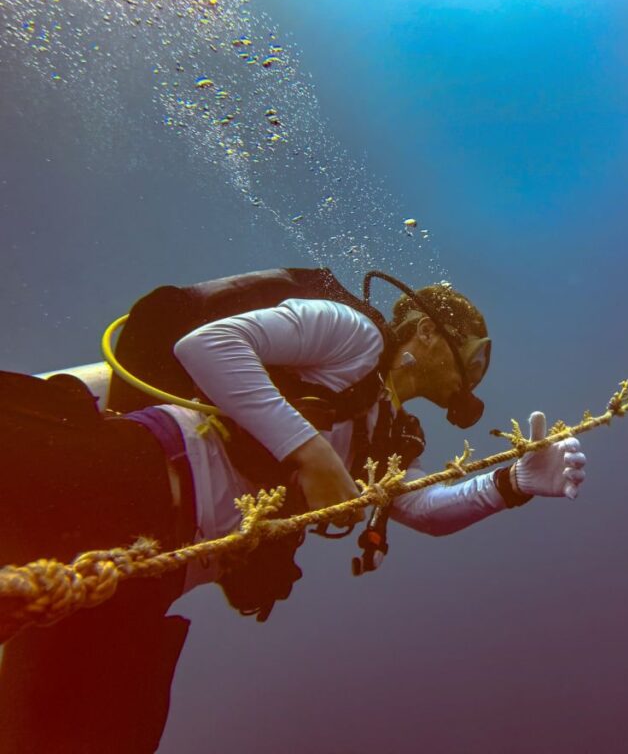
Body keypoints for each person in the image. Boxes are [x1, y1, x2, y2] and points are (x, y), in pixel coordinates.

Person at [0, 268, 587, 753]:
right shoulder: (351, 334)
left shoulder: (385, 436)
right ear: (429, 333)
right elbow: (207, 345)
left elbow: (422, 510)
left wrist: (511, 484)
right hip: (135, 473)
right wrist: (309, 452)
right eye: (474, 353)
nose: (475, 372)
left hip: (155, 575)